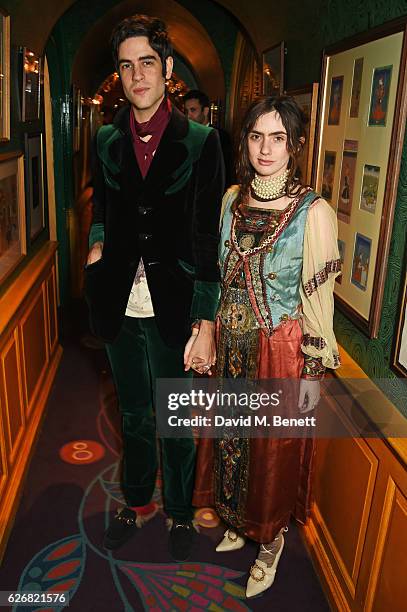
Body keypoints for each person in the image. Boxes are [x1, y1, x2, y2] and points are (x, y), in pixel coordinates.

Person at [85, 14, 224, 561]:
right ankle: (136, 499)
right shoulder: (106, 138)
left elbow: (206, 235)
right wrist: (96, 245)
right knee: (135, 413)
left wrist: (207, 319)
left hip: (175, 300)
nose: (136, 75)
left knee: (175, 414)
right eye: (126, 65)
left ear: (166, 69)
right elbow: (103, 207)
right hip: (118, 296)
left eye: (147, 62)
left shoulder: (202, 141)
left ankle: (182, 513)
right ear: (118, 75)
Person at [193, 96, 341, 597]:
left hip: (279, 347)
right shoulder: (232, 199)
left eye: (277, 138)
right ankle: (238, 519)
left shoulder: (312, 212)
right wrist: (206, 328)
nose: (265, 148)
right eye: (257, 136)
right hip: (231, 342)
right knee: (232, 439)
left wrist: (315, 368)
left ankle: (271, 540)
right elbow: (214, 273)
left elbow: (316, 296)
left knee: (271, 453)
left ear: (294, 145)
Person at [184, 89, 234, 187]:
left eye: (193, 110)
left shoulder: (221, 136)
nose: (188, 116)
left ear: (205, 111)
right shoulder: (183, 135)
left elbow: (227, 172)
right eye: (186, 111)